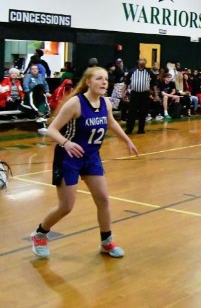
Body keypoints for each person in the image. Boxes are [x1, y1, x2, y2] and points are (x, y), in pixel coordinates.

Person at [29, 67, 138, 259]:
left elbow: (111, 122)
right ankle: (40, 234)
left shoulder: (105, 102)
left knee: (103, 199)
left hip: (91, 157)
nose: (104, 82)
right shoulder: (75, 103)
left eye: (106, 79)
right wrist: (66, 143)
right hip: (68, 158)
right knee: (66, 206)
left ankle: (106, 241)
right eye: (99, 79)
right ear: (88, 82)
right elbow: (52, 129)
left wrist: (127, 140)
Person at [121, 57, 158, 134]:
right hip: (134, 94)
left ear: (146, 62)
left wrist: (156, 95)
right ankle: (129, 129)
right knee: (132, 112)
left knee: (143, 112)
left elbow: (154, 85)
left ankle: (141, 129)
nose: (142, 61)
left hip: (145, 94)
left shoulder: (149, 72)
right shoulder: (132, 71)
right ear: (138, 61)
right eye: (141, 60)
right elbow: (126, 83)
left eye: (144, 60)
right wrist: (123, 93)